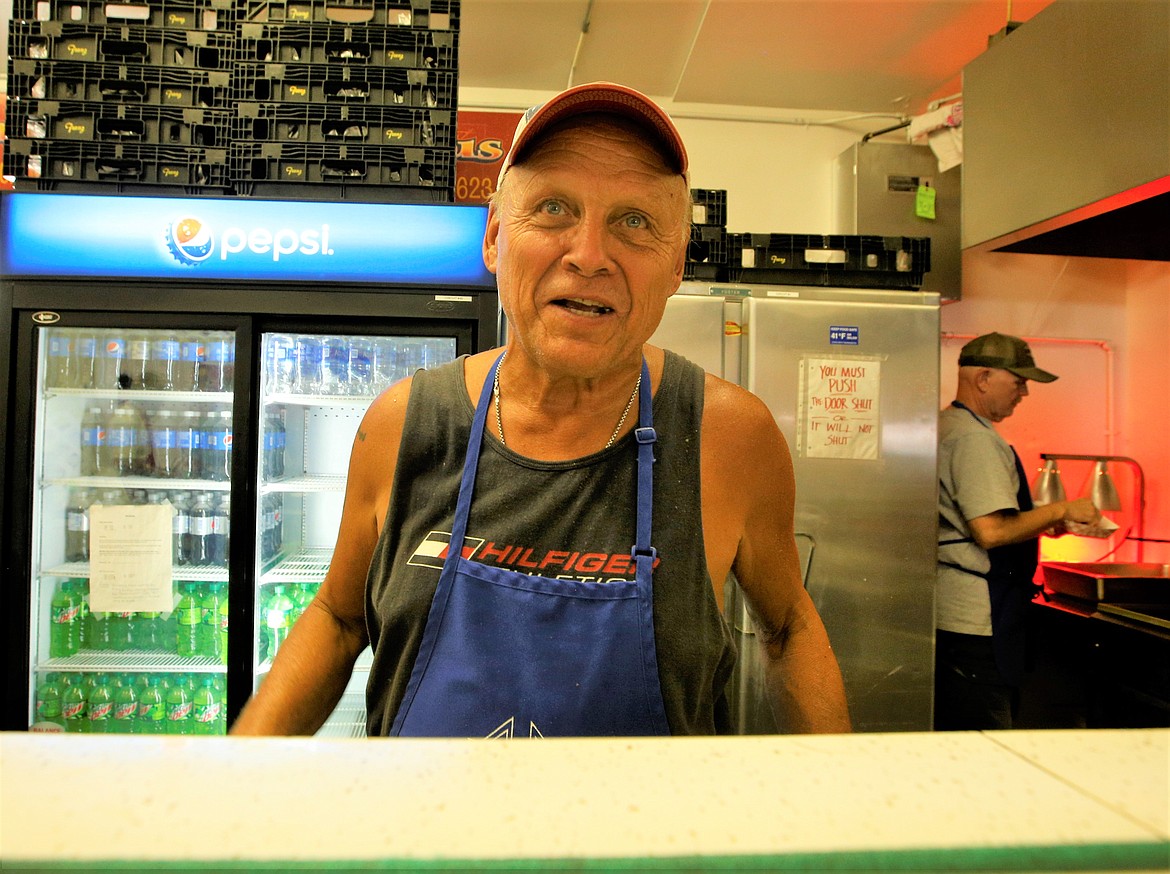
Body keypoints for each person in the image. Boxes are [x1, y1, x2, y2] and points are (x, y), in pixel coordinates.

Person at [232, 82, 851, 738]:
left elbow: (790, 627)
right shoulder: (404, 424)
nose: (587, 256)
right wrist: (239, 780)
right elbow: (338, 617)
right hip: (423, 836)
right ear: (496, 236)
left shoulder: (728, 437)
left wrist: (838, 816)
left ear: (677, 264)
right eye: (554, 208)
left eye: (634, 221)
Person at [935, 332, 1101, 730]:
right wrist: (1061, 508)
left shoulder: (949, 424)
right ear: (984, 378)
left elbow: (989, 524)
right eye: (1019, 381)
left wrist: (1048, 524)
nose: (1024, 392)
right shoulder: (974, 439)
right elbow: (990, 531)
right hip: (979, 621)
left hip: (956, 614)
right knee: (984, 742)